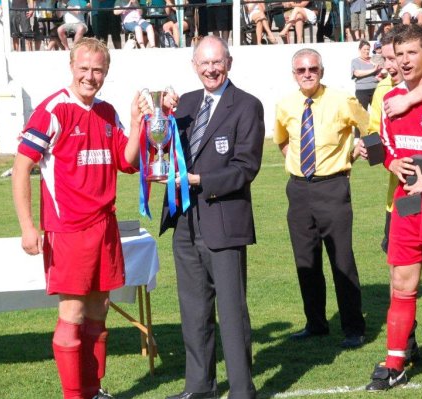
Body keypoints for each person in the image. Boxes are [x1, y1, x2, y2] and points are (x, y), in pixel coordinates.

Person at [12, 37, 149, 399]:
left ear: (106, 72)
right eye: (84, 69)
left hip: (105, 227)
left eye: (98, 70)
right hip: (68, 230)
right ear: (72, 67)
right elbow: (21, 168)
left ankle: (93, 389)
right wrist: (28, 227)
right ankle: (75, 395)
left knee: (98, 309)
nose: (90, 76)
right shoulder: (53, 110)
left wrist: (136, 124)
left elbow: (128, 161)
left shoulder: (106, 112)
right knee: (72, 313)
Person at [159, 35, 264, 399]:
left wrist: (200, 180)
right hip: (185, 222)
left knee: (232, 314)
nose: (211, 69)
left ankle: (241, 391)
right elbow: (164, 145)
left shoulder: (248, 105)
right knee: (193, 310)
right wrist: (161, 114)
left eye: (217, 62)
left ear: (229, 63)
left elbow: (246, 167)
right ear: (194, 66)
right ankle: (200, 387)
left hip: (225, 221)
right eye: (204, 63)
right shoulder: (185, 103)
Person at [364, 24, 422, 392]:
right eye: (398, 54)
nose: (403, 60)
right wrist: (391, 164)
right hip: (405, 206)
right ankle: (397, 360)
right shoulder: (388, 99)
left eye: (411, 53)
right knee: (402, 283)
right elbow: (386, 144)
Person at [273, 48, 367, 348]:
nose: (307, 74)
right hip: (299, 190)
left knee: (342, 258)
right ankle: (316, 323)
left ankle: (353, 327)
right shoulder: (286, 104)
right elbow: (282, 141)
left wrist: (354, 152)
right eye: (301, 70)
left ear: (322, 71)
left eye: (312, 68)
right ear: (293, 74)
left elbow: (371, 128)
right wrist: (299, 166)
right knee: (306, 260)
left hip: (333, 188)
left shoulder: (342, 99)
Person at [351, 40, 381, 110]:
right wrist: (373, 70)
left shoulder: (374, 59)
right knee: (362, 114)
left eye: (368, 49)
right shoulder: (355, 61)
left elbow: (381, 72)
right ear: (359, 49)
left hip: (376, 89)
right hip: (362, 91)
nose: (367, 51)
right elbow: (357, 73)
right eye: (364, 49)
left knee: (377, 112)